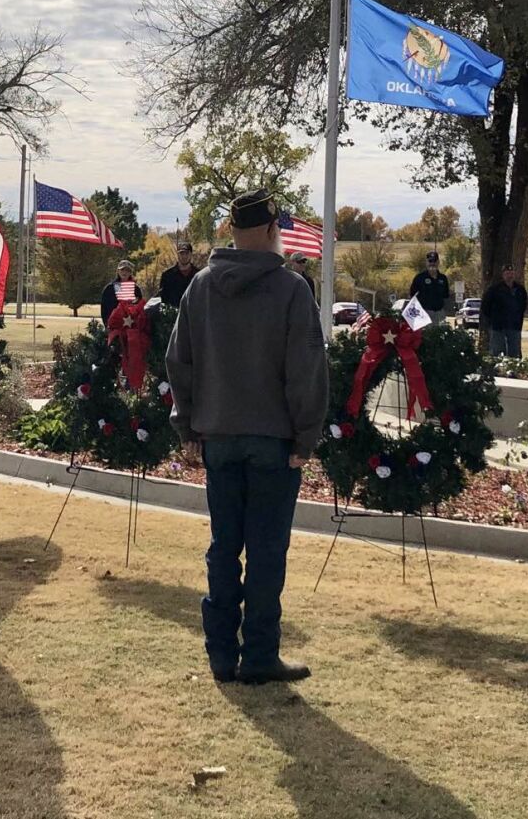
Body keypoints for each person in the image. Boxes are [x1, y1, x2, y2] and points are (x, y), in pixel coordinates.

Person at [166, 188, 328, 685]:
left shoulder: (201, 287)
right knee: (265, 550)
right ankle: (258, 655)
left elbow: (179, 362)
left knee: (223, 544)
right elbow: (305, 370)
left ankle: (221, 654)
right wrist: (306, 437)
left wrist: (188, 424)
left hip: (219, 435)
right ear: (270, 229)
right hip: (273, 441)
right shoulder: (291, 290)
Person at [479, 266, 528, 358]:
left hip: (514, 326)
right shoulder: (494, 290)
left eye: (511, 273)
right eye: (507, 273)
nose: (509, 275)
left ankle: (514, 371)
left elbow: (523, 306)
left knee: (514, 353)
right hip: (498, 327)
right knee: (497, 352)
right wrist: (493, 319)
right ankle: (497, 371)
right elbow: (485, 307)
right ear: (503, 275)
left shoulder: (520, 290)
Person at [411, 251, 451, 324]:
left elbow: (446, 296)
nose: (432, 263)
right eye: (430, 261)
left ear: (438, 262)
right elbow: (412, 296)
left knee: (441, 334)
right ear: (426, 262)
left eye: (434, 261)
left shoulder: (443, 278)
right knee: (426, 334)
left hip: (440, 313)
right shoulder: (419, 278)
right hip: (424, 313)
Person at [100, 258, 143, 325]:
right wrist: (106, 324)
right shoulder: (110, 289)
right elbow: (104, 309)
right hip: (114, 323)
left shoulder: (136, 289)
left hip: (132, 324)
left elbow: (139, 307)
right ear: (118, 271)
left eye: (127, 270)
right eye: (122, 269)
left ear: (131, 272)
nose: (124, 272)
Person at [158, 242, 200, 307]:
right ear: (178, 254)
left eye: (187, 253)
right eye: (182, 253)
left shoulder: (199, 275)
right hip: (173, 314)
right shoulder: (167, 275)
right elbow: (163, 299)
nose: (184, 256)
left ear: (191, 254)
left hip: (193, 314)